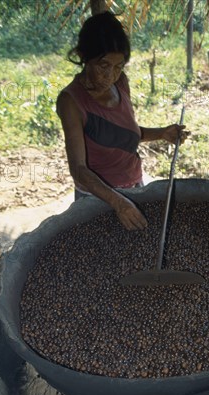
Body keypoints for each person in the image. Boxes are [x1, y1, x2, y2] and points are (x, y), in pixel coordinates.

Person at [56, 11, 187, 231]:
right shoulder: (71, 101)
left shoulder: (120, 84)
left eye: (119, 67)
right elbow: (78, 169)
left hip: (133, 186)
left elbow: (127, 134)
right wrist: (117, 202)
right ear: (83, 56)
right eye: (104, 66)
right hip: (98, 197)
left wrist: (163, 133)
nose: (111, 76)